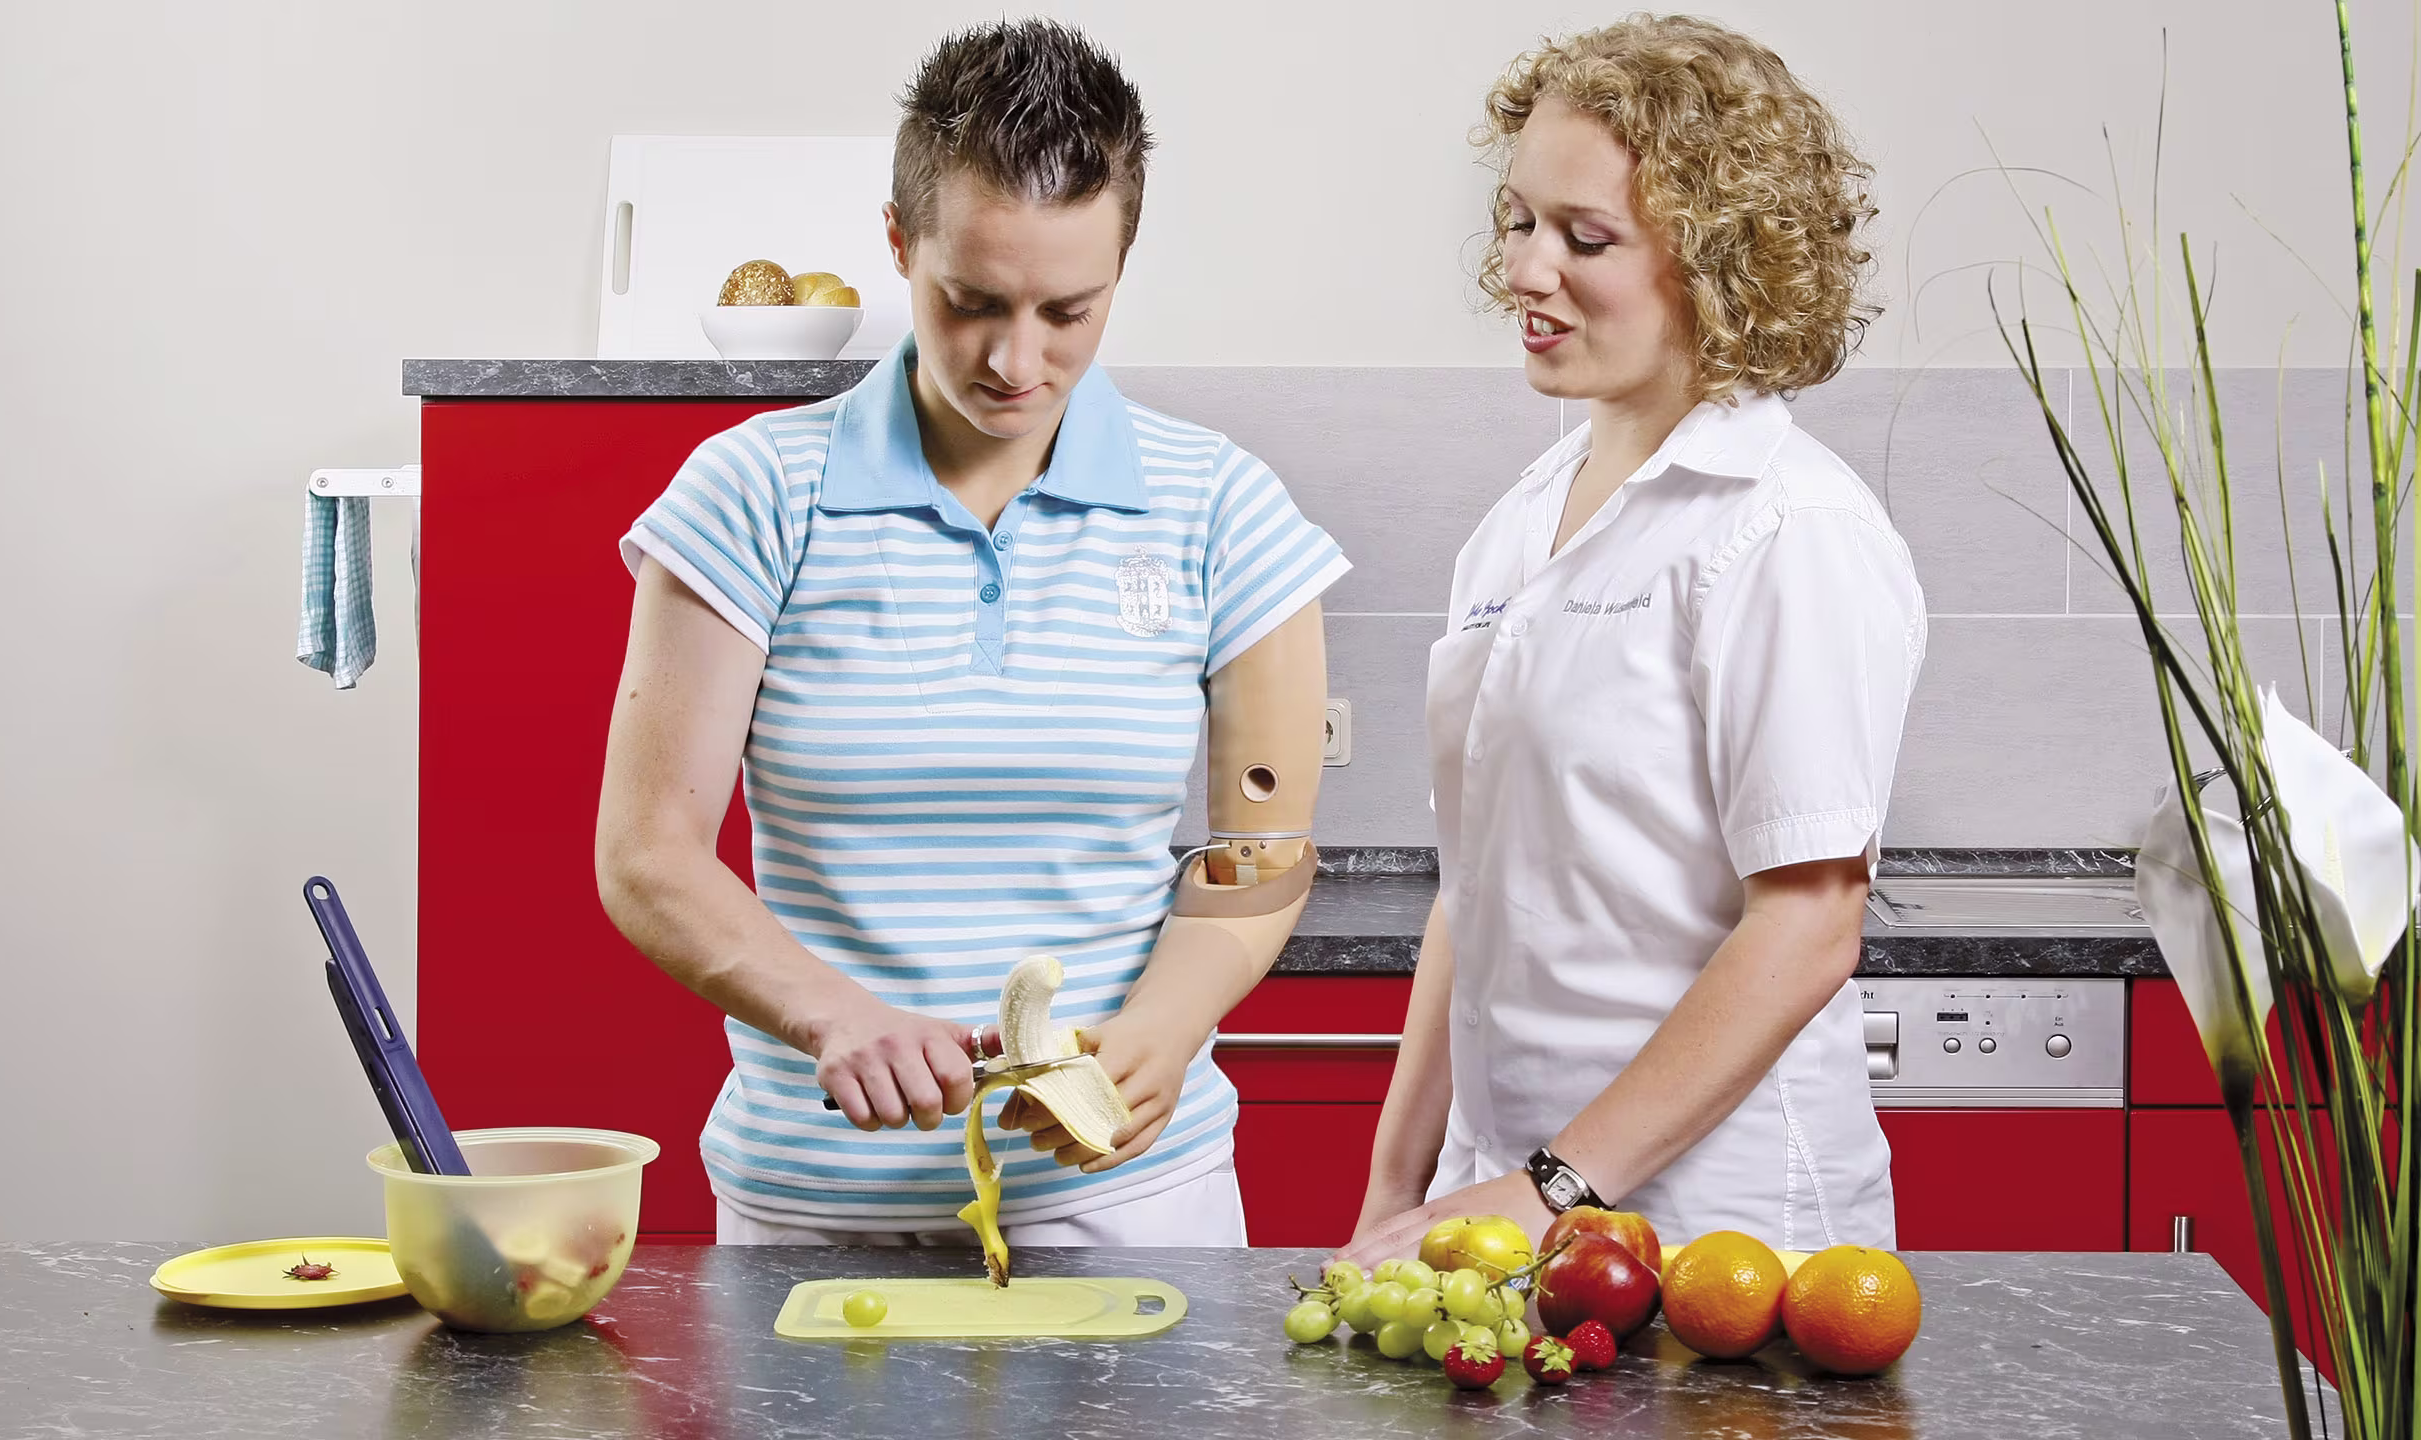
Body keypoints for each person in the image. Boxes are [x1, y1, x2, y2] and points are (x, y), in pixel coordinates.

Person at [595, 19, 1349, 1248]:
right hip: (813, 1206)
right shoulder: (748, 494)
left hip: (1126, 1196)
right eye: (971, 302)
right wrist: (831, 1013)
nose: (1017, 359)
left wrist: (1166, 1029)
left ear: (1122, 262)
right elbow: (647, 850)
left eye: (1070, 309)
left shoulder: (1221, 503)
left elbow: (1261, 848)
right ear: (898, 243)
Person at [1340, 13, 1923, 1267]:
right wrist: (1397, 1192)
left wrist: (1548, 1187)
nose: (1524, 271)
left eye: (1584, 239)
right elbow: (1474, 886)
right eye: (1517, 221)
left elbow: (1810, 922)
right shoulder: (1516, 527)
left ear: (1719, 263)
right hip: (1501, 1217)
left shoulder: (1787, 528)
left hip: (1720, 1235)